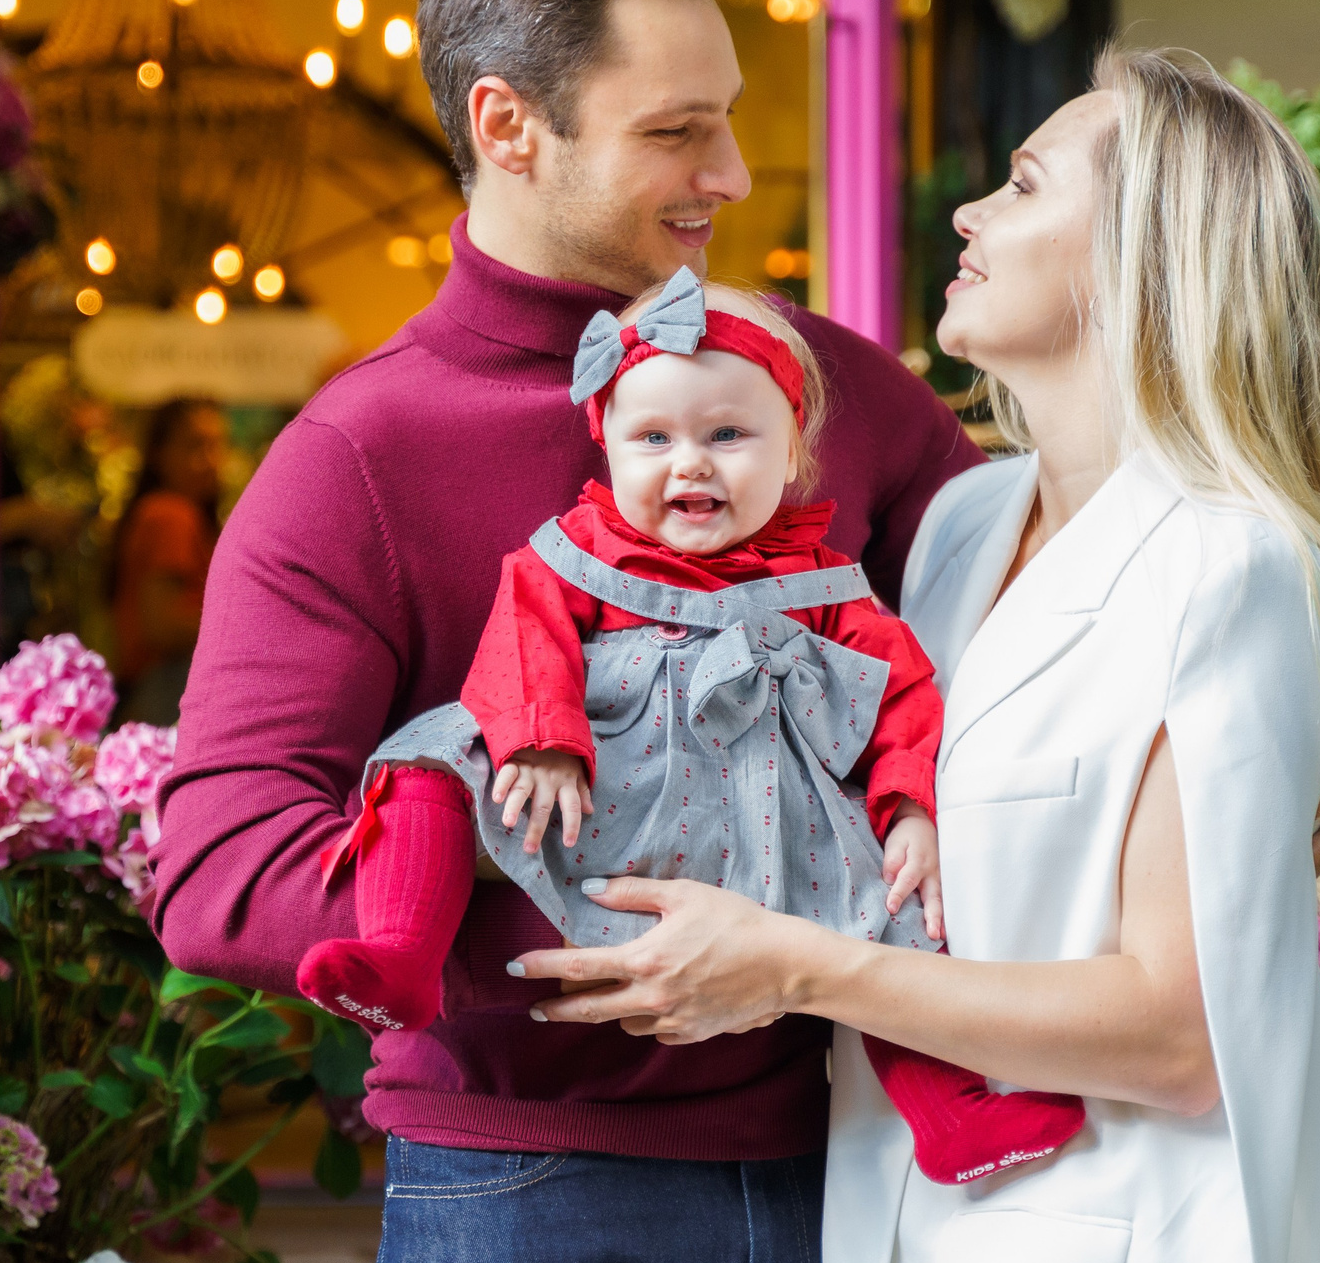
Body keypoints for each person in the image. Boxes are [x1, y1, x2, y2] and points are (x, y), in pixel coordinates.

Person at [151, 0, 1320, 1263]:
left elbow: (1074, 639)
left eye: (728, 115)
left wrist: (1289, 716)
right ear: (508, 127)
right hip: (530, 1206)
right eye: (677, 130)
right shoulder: (359, 457)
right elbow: (217, 869)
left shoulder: (841, 393)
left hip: (867, 1185)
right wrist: (568, 883)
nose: (731, 172)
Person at [505, 49, 1320, 1263]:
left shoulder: (1234, 567)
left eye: (1025, 184)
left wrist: (792, 967)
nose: (969, 212)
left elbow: (1180, 1034)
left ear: (1143, 258)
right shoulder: (962, 525)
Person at [296, 267, 1084, 1186]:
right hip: (596, 784)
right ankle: (401, 954)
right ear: (609, 450)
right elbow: (526, 627)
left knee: (890, 906)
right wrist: (543, 737)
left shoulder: (826, 585)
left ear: (793, 453)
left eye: (728, 435)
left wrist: (908, 806)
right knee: (427, 763)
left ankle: (952, 1114)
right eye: (654, 438)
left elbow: (902, 691)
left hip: (761, 812)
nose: (691, 462)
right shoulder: (579, 554)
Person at [109, 398, 226, 725]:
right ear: (159, 454)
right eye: (195, 446)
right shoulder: (170, 514)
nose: (210, 460)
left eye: (217, 446)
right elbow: (161, 626)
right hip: (165, 686)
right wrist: (246, 623)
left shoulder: (166, 512)